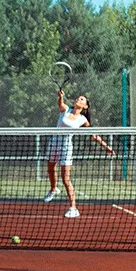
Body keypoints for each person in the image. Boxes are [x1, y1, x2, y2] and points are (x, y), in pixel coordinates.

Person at [43, 90, 115, 218]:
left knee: (65, 178)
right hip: (54, 142)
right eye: (78, 98)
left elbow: (93, 135)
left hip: (66, 147)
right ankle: (53, 189)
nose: (78, 99)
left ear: (85, 106)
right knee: (50, 169)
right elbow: (60, 104)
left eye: (82, 99)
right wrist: (60, 97)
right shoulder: (65, 109)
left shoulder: (83, 119)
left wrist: (106, 147)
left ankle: (73, 208)